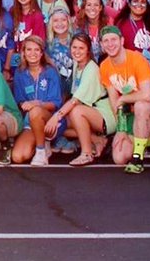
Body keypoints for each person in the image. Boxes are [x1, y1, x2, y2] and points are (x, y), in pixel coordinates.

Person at [98, 26, 150, 174]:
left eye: (113, 39)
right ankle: (149, 142)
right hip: (132, 112)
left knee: (141, 106)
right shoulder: (105, 66)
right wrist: (121, 129)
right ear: (101, 45)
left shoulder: (136, 59)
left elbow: (147, 94)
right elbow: (114, 101)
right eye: (106, 41)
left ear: (122, 40)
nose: (110, 44)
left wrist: (123, 99)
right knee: (119, 158)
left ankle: (138, 157)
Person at [43, 34, 113, 167]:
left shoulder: (91, 68)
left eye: (81, 48)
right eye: (74, 47)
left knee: (75, 111)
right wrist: (57, 119)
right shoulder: (77, 64)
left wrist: (56, 116)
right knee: (61, 126)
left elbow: (76, 100)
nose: (77, 51)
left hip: (104, 115)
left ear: (88, 50)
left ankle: (86, 153)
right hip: (90, 110)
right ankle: (98, 140)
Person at [9, 36, 65, 166]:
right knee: (18, 157)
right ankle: (42, 142)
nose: (32, 53)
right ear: (23, 52)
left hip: (50, 119)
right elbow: (20, 100)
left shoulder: (50, 72)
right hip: (30, 121)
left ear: (41, 53)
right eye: (29, 49)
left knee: (35, 111)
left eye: (36, 50)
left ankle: (41, 152)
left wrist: (36, 104)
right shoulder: (20, 72)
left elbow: (55, 103)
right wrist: (24, 104)